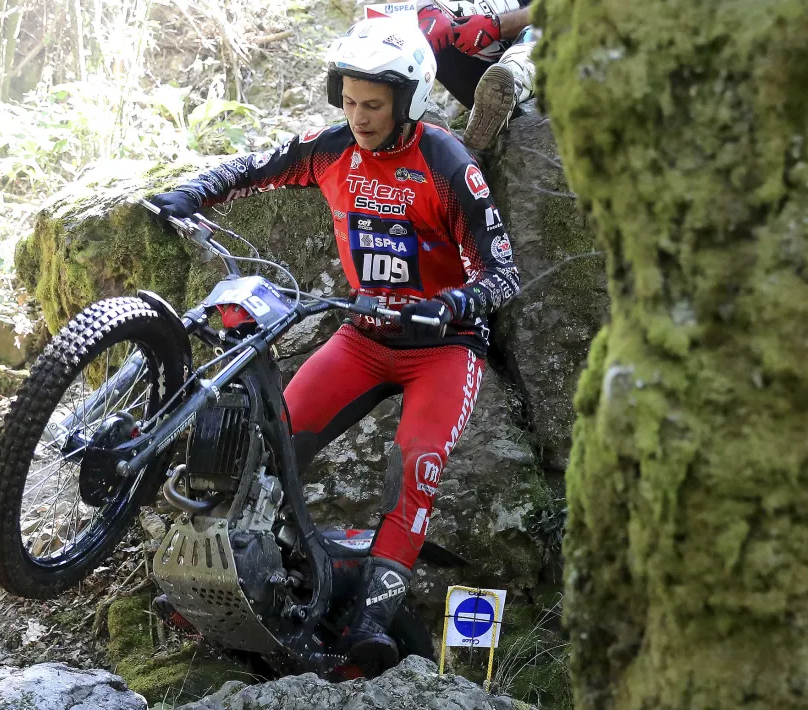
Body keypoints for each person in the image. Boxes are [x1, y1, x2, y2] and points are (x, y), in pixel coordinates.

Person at [148, 17, 520, 677]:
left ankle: (372, 621)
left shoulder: (447, 162)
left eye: (373, 105)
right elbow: (252, 168)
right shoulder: (330, 149)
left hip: (443, 345)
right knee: (270, 445)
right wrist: (191, 193)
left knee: (415, 467)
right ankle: (230, 582)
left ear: (409, 102)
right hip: (363, 335)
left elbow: (502, 273)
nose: (358, 116)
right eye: (348, 101)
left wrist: (452, 304)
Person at [416, 0, 537, 151]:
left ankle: (510, 85)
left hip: (530, 39)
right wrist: (423, 10)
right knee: (407, 31)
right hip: (466, 64)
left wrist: (498, 25)